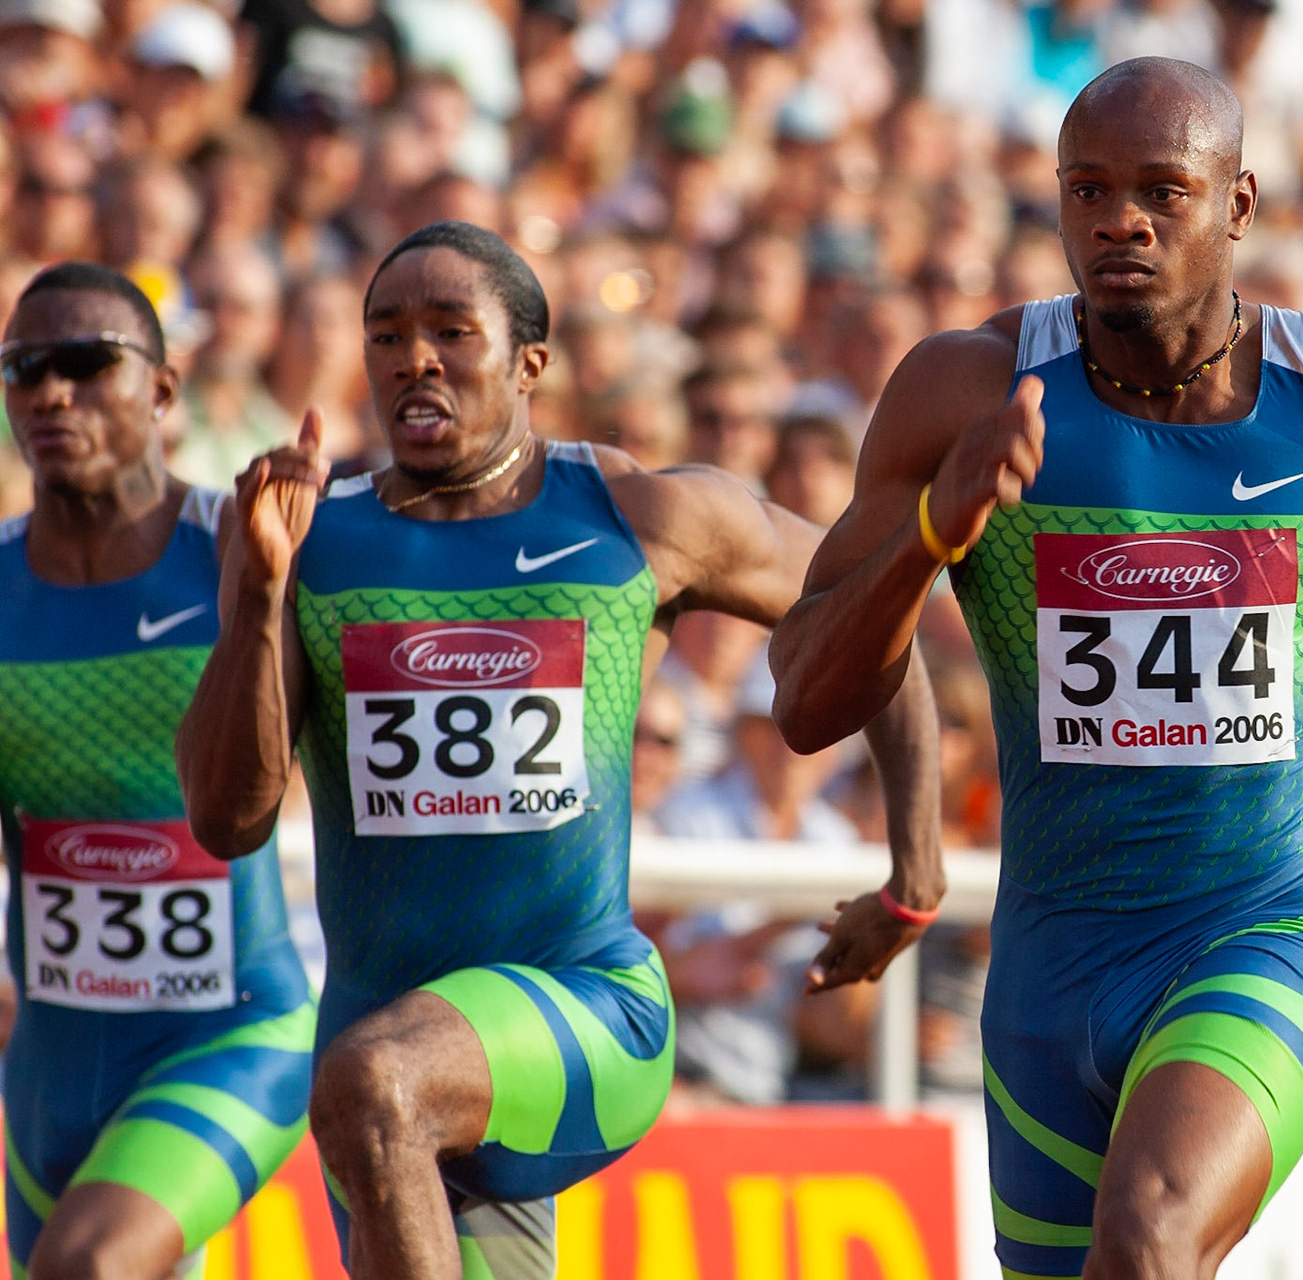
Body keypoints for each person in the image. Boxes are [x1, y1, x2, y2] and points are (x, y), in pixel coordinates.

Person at [770, 59, 1303, 1276]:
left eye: (1163, 189)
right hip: (1048, 968)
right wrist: (933, 536)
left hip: (1258, 932)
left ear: (1240, 205)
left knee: (1151, 1234)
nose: (1120, 221)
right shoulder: (969, 390)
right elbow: (804, 699)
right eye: (1087, 190)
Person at [177, 220, 941, 1279]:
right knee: (382, 1094)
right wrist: (257, 598)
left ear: (532, 362)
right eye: (386, 334)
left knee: (374, 1085)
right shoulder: (306, 539)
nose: (416, 358)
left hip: (582, 1005)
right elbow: (228, 817)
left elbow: (874, 612)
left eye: (451, 329)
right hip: (384, 1038)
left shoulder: (643, 514)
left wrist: (915, 865)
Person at [0, 263, 313, 1279]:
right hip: (49, 1061)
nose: (51, 392)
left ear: (165, 391)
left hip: (228, 1029)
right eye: (24, 368)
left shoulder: (246, 547)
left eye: (87, 364)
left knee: (87, 1268)